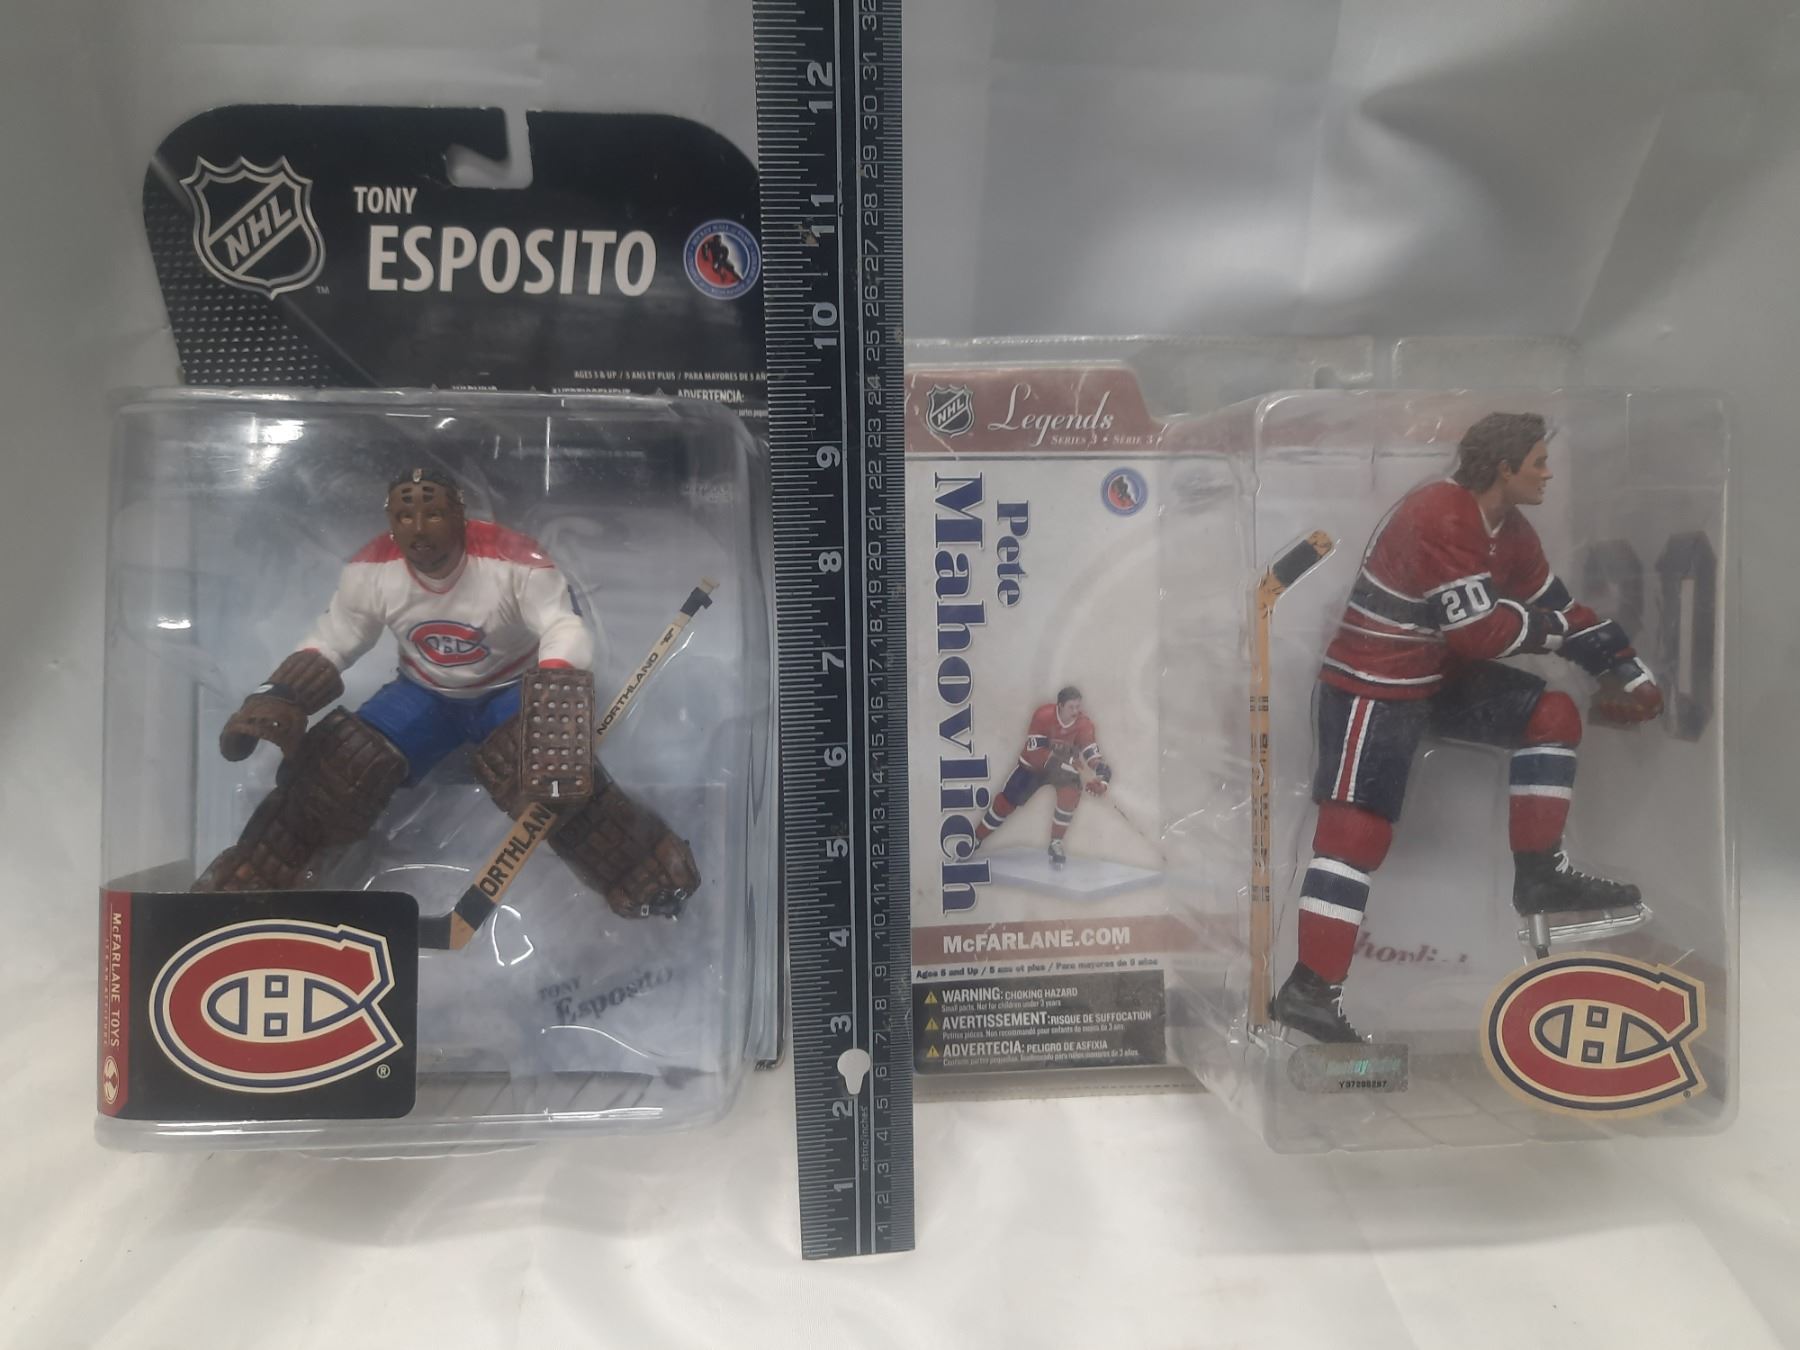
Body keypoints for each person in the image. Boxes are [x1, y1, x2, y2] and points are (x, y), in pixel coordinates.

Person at [1270, 413, 1662, 1043]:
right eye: (1538, 462)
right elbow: (1479, 633)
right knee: (1354, 834)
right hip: (1373, 682)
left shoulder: (1513, 532)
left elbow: (1556, 607)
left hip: (1435, 677)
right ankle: (1309, 990)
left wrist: (1627, 670)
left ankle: (1539, 877)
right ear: (1503, 468)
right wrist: (1562, 633)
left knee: (1552, 714)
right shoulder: (1439, 513)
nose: (1548, 473)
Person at [193, 467, 698, 920]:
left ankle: (646, 869)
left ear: (459, 515)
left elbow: (562, 625)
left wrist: (555, 696)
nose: (419, 528)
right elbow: (338, 636)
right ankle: (257, 879)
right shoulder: (372, 571)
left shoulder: (512, 561)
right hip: (426, 695)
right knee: (337, 770)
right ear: (391, 522)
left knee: (553, 782)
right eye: (404, 516)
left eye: (432, 513)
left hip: (509, 689)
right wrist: (282, 691)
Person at [973, 685, 1112, 868]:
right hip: (1033, 768)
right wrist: (1068, 761)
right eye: (1071, 707)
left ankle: (1056, 843)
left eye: (1078, 707)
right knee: (1005, 802)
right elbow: (1035, 754)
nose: (1076, 711)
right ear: (1060, 706)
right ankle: (976, 838)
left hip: (1064, 771)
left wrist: (1102, 778)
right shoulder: (1043, 716)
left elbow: (1092, 756)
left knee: (1069, 797)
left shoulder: (1084, 724)